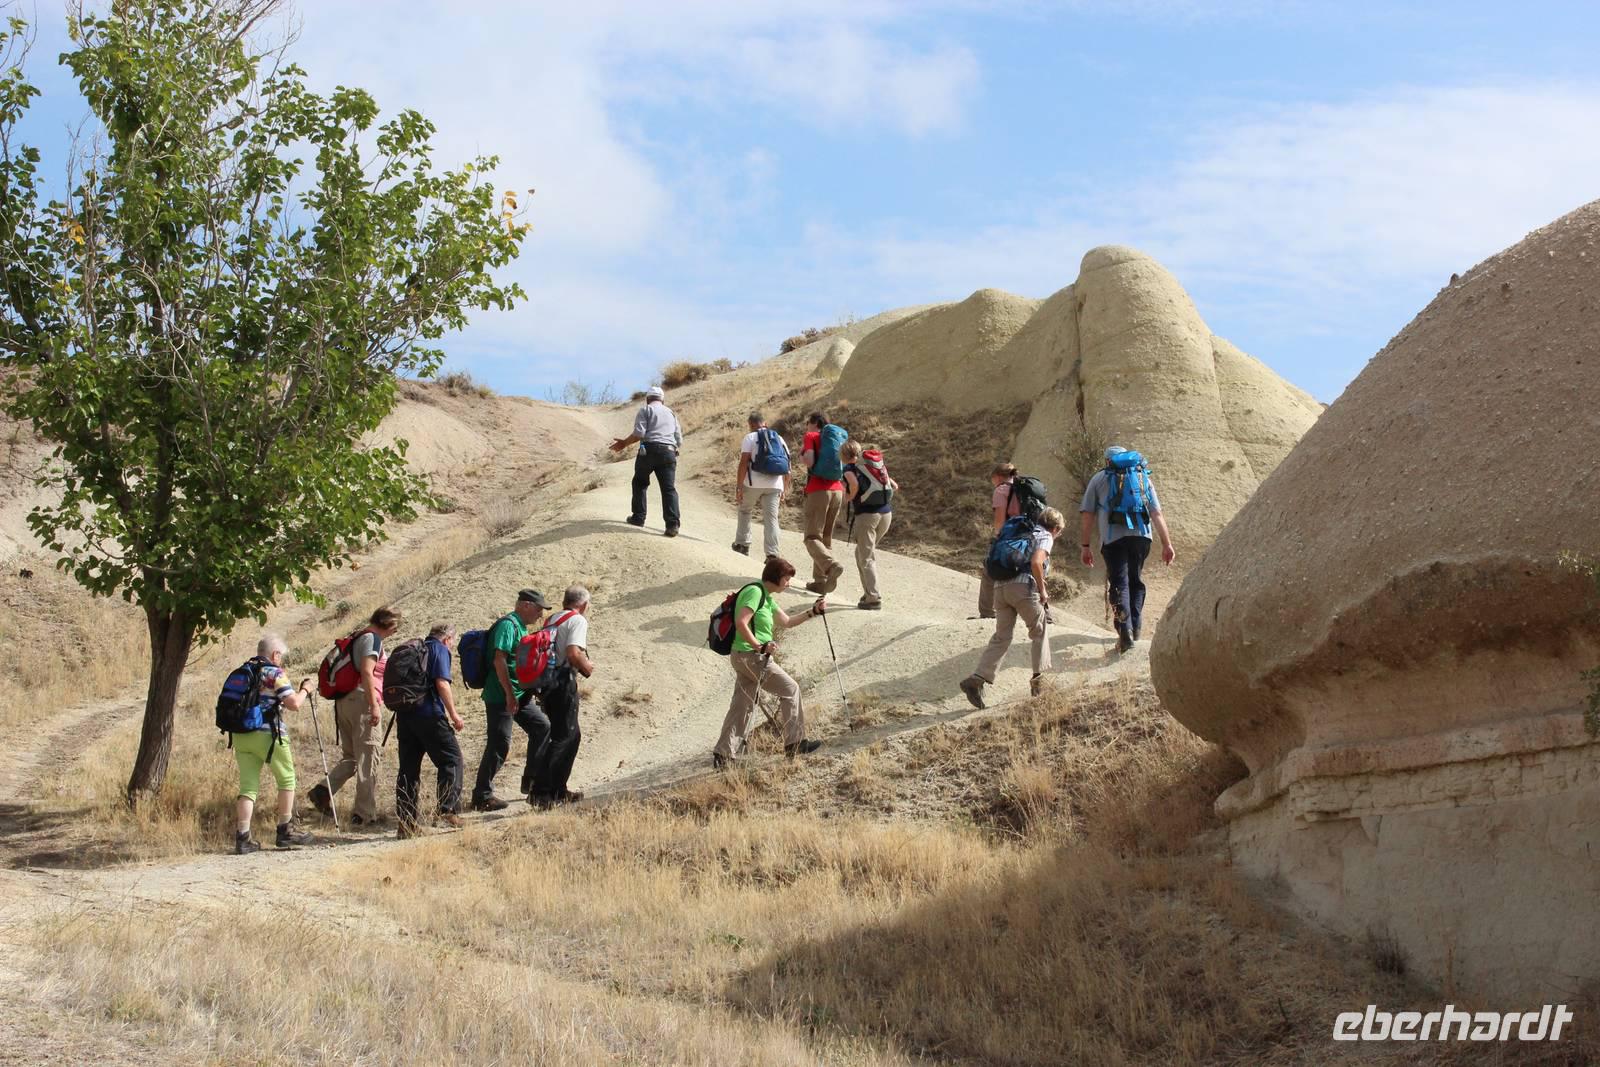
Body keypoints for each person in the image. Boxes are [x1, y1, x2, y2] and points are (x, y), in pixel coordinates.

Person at [712, 556, 827, 768]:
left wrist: (813, 612)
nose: (789, 583)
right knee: (790, 689)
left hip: (745, 656)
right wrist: (759, 646)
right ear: (777, 576)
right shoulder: (755, 592)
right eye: (787, 578)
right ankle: (795, 743)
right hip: (752, 657)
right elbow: (741, 622)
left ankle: (723, 755)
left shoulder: (766, 597)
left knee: (742, 704)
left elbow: (788, 622)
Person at [959, 507, 1067, 708]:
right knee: (1039, 631)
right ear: (1056, 528)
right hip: (1024, 587)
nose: (1058, 535)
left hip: (1000, 588)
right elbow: (1036, 562)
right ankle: (1039, 683)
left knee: (1002, 637)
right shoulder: (1045, 536)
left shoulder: (1022, 532)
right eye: (1059, 531)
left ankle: (977, 678)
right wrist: (1043, 590)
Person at [308, 606, 400, 828]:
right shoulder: (373, 640)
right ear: (388, 624)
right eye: (395, 627)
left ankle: (322, 790)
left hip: (344, 702)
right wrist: (374, 706)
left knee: (350, 758)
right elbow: (367, 672)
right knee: (368, 758)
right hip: (362, 702)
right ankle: (364, 815)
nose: (395, 632)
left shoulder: (357, 636)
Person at [1079, 445, 1176, 652]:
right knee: (1135, 581)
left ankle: (1125, 631)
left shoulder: (1099, 479)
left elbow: (1087, 514)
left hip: (1113, 539)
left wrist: (1085, 546)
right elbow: (1156, 513)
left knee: (1119, 582)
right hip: (1142, 538)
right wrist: (1167, 544)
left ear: (1107, 461)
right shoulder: (1143, 478)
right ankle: (1136, 628)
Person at [230, 633, 315, 854]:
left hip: (241, 734)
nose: (282, 660)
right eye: (281, 656)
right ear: (275, 654)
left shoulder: (243, 671)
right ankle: (285, 830)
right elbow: (294, 703)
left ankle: (243, 837)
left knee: (248, 787)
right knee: (287, 778)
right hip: (268, 734)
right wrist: (306, 689)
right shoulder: (274, 672)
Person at [469, 589, 552, 811]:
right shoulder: (508, 625)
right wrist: (508, 694)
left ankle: (532, 781)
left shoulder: (520, 626)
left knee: (542, 727)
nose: (540, 615)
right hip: (500, 696)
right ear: (525, 605)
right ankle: (481, 796)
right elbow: (499, 661)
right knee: (499, 744)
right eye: (538, 609)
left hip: (518, 694)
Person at [527, 586, 596, 808]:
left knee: (566, 735)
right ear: (584, 605)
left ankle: (557, 790)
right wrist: (587, 668)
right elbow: (573, 652)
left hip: (547, 682)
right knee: (565, 736)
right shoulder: (577, 620)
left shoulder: (552, 619)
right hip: (562, 681)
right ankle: (541, 792)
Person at [396, 623, 467, 838]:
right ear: (447, 639)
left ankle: (405, 824)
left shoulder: (417, 650)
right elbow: (442, 684)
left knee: (408, 770)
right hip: (429, 714)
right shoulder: (438, 649)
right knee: (452, 759)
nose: (452, 646)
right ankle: (448, 810)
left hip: (405, 716)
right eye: (452, 642)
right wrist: (454, 715)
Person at [611, 385, 683, 536]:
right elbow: (679, 439)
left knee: (640, 483)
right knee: (669, 489)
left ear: (647, 399)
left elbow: (639, 433)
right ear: (662, 400)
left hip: (648, 451)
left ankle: (638, 517)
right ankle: (672, 525)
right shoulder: (671, 413)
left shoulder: (645, 410)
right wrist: (672, 448)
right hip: (669, 452)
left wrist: (624, 443)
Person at [840, 441, 897, 610]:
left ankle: (873, 597)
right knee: (862, 554)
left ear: (843, 455)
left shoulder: (849, 469)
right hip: (886, 514)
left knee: (866, 557)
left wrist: (849, 496)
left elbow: (854, 485)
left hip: (867, 516)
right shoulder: (873, 467)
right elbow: (894, 485)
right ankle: (868, 594)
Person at [800, 411, 848, 594]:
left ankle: (831, 566)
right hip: (837, 490)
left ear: (814, 423)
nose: (807, 427)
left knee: (811, 537)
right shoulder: (837, 439)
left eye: (808, 423)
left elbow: (810, 461)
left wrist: (802, 456)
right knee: (825, 537)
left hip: (819, 490)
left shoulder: (811, 436)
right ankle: (820, 581)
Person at [733, 411, 787, 561]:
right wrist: (784, 488)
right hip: (775, 484)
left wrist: (739, 487)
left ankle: (742, 545)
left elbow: (744, 462)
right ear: (765, 423)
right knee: (771, 519)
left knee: (745, 510)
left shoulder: (750, 437)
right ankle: (772, 554)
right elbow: (787, 465)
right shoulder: (779, 438)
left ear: (750, 425)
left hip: (753, 484)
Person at [978, 463, 1023, 619]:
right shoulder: (1023, 488)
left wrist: (998, 537)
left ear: (996, 476)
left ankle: (987, 613)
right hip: (1028, 537)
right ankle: (1045, 615)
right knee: (1029, 572)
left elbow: (999, 521)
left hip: (1009, 536)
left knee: (989, 570)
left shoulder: (1001, 490)